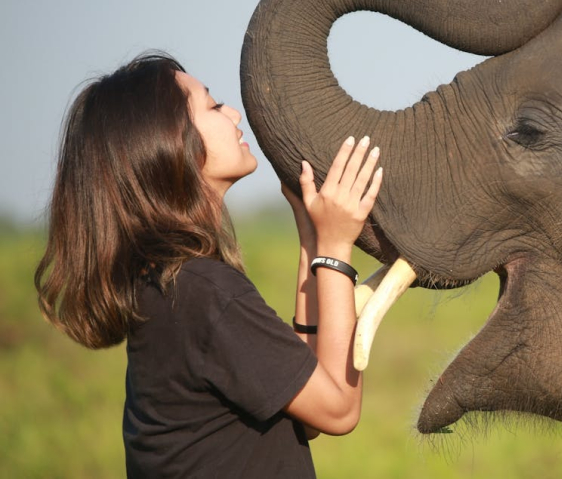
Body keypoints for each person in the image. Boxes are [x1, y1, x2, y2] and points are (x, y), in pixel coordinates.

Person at [34, 52, 383, 477]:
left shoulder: (172, 286)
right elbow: (339, 411)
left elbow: (309, 412)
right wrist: (336, 246)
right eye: (213, 106)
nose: (233, 113)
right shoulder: (203, 292)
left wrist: (311, 237)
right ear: (170, 146)